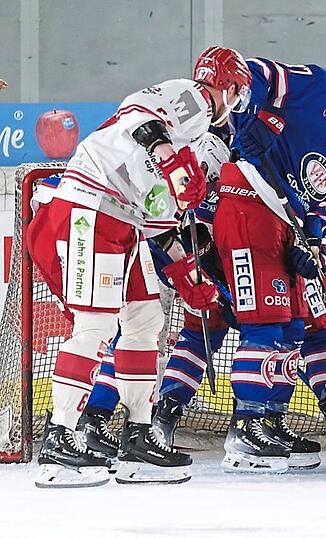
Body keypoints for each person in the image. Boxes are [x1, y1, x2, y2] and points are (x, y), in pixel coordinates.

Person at [26, 46, 250, 488]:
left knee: (146, 319)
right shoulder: (195, 98)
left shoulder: (199, 155)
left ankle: (137, 436)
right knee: (94, 326)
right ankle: (60, 435)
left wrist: (189, 279)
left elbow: (161, 231)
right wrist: (170, 156)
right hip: (89, 206)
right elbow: (137, 113)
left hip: (125, 220)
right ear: (227, 87)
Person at [213, 56, 326, 472]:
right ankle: (247, 427)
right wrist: (247, 118)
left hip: (282, 226)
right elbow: (254, 73)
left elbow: (321, 214)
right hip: (247, 203)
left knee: (295, 324)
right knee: (263, 323)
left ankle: (270, 420)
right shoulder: (317, 85)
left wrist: (314, 246)